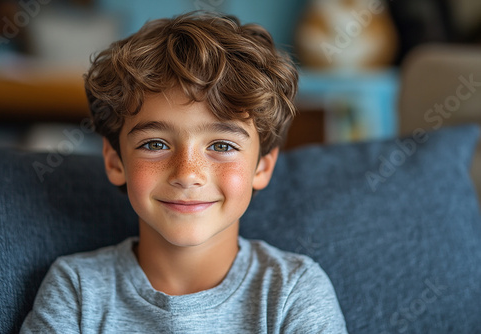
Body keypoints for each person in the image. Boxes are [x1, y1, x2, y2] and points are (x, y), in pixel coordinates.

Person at [20, 11, 347, 333]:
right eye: (155, 144)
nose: (187, 173)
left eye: (221, 146)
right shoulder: (76, 290)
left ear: (262, 166)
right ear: (115, 161)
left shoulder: (294, 291)